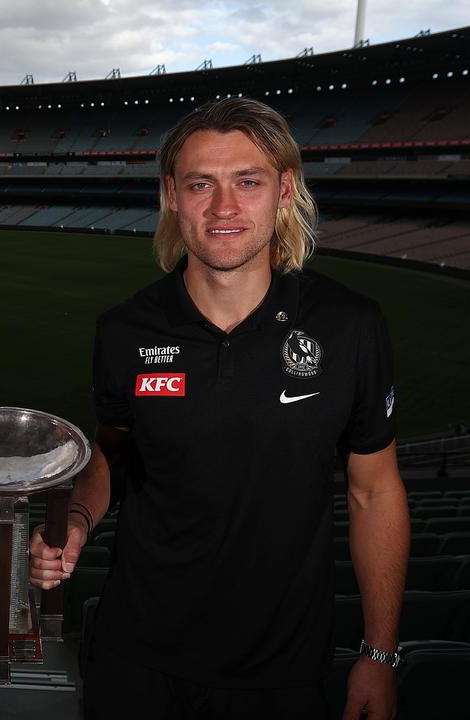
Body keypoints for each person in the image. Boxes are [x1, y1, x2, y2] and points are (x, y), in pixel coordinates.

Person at [29, 98, 409, 719]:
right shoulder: (125, 330)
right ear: (172, 196)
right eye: (201, 184)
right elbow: (114, 452)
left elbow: (376, 492)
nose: (224, 208)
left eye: (248, 182)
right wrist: (76, 517)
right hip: (136, 659)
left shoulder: (351, 327)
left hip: (282, 671)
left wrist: (380, 653)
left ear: (285, 190)